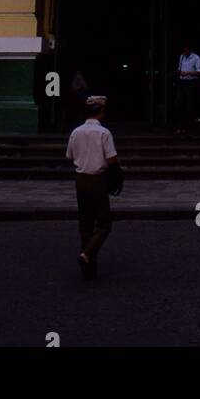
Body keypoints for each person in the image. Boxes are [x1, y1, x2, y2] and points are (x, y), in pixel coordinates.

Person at [66, 95, 119, 280]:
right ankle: (87, 254)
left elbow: (70, 156)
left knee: (85, 222)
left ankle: (88, 269)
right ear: (101, 111)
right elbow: (112, 159)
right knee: (104, 223)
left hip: (80, 179)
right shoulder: (104, 133)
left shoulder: (76, 132)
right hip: (97, 180)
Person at [174, 45, 200, 134]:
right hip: (182, 83)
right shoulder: (182, 56)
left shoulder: (196, 58)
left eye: (186, 50)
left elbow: (199, 72)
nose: (184, 52)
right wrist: (179, 72)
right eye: (183, 50)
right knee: (178, 105)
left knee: (189, 106)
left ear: (190, 50)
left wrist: (187, 73)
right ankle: (180, 127)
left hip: (191, 83)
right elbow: (179, 68)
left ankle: (189, 128)